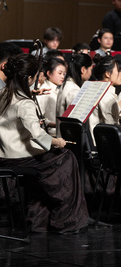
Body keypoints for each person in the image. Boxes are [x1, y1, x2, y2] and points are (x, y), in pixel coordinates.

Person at [0, 54, 89, 233]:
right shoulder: (24, 103)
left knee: (53, 164)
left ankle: (38, 220)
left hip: (4, 156)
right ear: (29, 78)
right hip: (21, 159)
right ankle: (66, 221)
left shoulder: (3, 94)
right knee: (67, 158)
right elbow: (37, 135)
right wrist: (57, 141)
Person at [37, 56, 68, 136]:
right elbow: (38, 117)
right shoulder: (44, 91)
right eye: (60, 73)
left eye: (64, 74)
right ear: (49, 73)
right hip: (50, 134)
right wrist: (53, 124)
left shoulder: (58, 90)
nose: (62, 76)